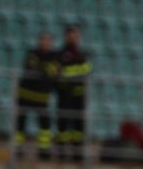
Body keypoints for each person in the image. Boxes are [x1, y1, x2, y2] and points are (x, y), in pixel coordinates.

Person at [15, 32, 58, 157]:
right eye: (43, 40)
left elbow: (54, 71)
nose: (45, 43)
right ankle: (18, 149)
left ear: (50, 43)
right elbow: (31, 68)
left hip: (41, 97)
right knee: (20, 122)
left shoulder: (53, 56)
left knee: (45, 123)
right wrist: (46, 71)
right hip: (26, 94)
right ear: (40, 41)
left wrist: (45, 71)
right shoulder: (32, 53)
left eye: (47, 40)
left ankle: (44, 150)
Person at [56, 25, 92, 161]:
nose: (73, 38)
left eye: (76, 35)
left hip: (79, 95)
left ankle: (78, 153)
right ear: (66, 36)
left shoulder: (82, 54)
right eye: (71, 35)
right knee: (63, 124)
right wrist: (75, 72)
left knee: (79, 126)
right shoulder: (60, 54)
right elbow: (59, 72)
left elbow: (87, 70)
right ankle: (61, 152)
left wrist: (69, 72)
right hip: (64, 94)